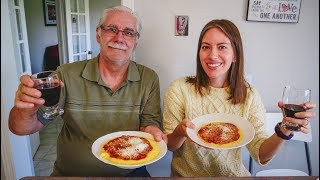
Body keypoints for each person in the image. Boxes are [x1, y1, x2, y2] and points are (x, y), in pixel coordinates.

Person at [9, 5, 166, 177]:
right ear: (98, 34)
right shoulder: (65, 75)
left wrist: (153, 132)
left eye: (128, 32)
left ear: (136, 41)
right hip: (72, 173)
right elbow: (20, 128)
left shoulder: (149, 78)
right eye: (112, 29)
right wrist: (25, 111)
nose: (119, 38)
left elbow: (148, 125)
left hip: (129, 172)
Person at [162, 19, 316, 177]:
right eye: (205, 47)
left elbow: (261, 154)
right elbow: (171, 146)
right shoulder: (178, 89)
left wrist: (284, 128)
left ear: (235, 55)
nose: (212, 55)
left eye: (222, 47)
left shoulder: (250, 95)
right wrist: (180, 132)